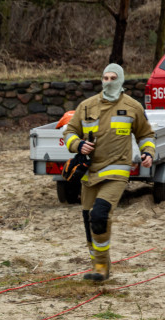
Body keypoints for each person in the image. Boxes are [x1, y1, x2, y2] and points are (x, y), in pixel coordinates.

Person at [63, 63, 155, 282]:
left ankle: (103, 266)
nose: (109, 81)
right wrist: (77, 145)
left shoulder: (132, 107)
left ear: (121, 80)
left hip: (117, 169)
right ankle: (97, 264)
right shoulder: (86, 106)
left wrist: (148, 152)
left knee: (100, 214)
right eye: (105, 78)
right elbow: (70, 131)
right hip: (89, 172)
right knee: (88, 220)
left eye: (113, 77)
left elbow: (146, 134)